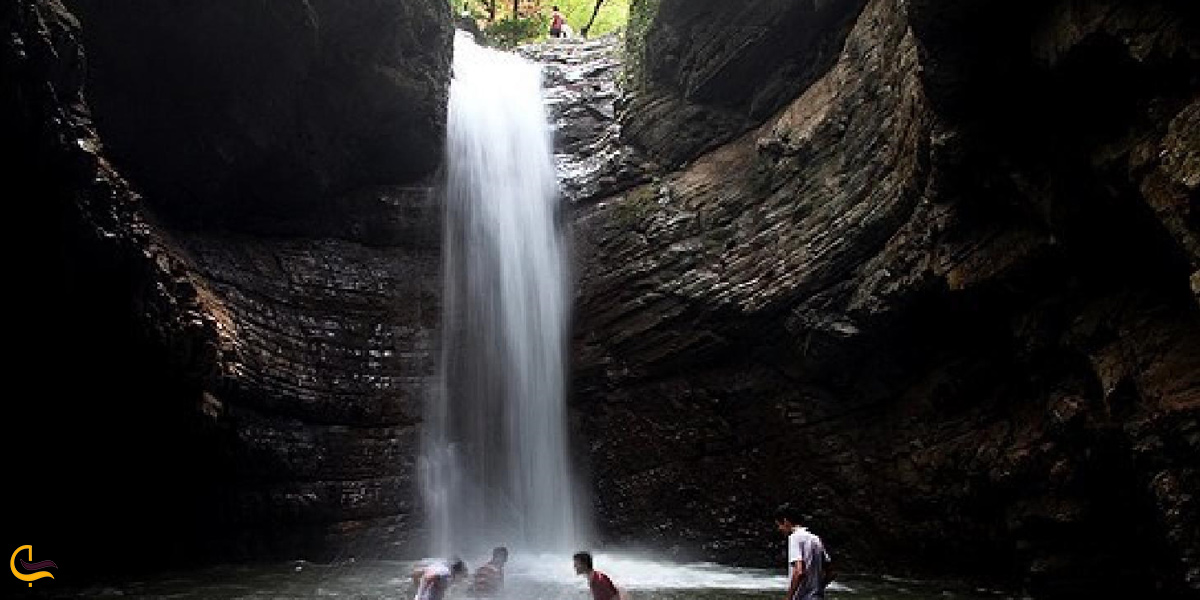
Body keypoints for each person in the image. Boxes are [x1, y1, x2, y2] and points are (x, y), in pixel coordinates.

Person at [775, 505, 834, 600]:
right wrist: (818, 588)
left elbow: (799, 571)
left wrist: (789, 597)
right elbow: (831, 573)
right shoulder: (815, 539)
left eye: (779, 525)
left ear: (786, 521)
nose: (779, 528)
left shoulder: (794, 538)